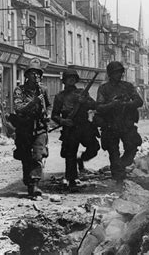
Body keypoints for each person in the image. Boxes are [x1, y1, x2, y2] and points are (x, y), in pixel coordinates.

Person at [51, 69, 99, 190]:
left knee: (94, 148)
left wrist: (85, 102)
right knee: (70, 154)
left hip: (84, 126)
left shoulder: (82, 93)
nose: (71, 80)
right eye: (68, 78)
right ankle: (71, 179)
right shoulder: (60, 96)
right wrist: (63, 121)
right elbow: (54, 115)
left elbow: (94, 105)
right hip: (70, 128)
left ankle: (81, 160)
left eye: (73, 78)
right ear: (64, 80)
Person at [96, 61, 143, 183]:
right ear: (110, 74)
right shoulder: (104, 89)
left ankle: (120, 166)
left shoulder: (127, 86)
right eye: (115, 73)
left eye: (120, 72)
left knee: (132, 146)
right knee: (113, 151)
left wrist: (127, 104)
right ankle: (118, 178)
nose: (118, 75)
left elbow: (139, 101)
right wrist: (112, 104)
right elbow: (99, 107)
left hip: (126, 123)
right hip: (110, 124)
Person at [11, 58, 50, 198]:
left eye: (38, 73)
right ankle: (29, 182)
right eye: (32, 73)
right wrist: (33, 102)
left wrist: (48, 115)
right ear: (26, 75)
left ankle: (34, 184)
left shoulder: (43, 90)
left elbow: (49, 105)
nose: (36, 76)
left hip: (39, 127)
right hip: (24, 127)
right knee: (26, 156)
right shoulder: (19, 90)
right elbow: (18, 108)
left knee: (38, 154)